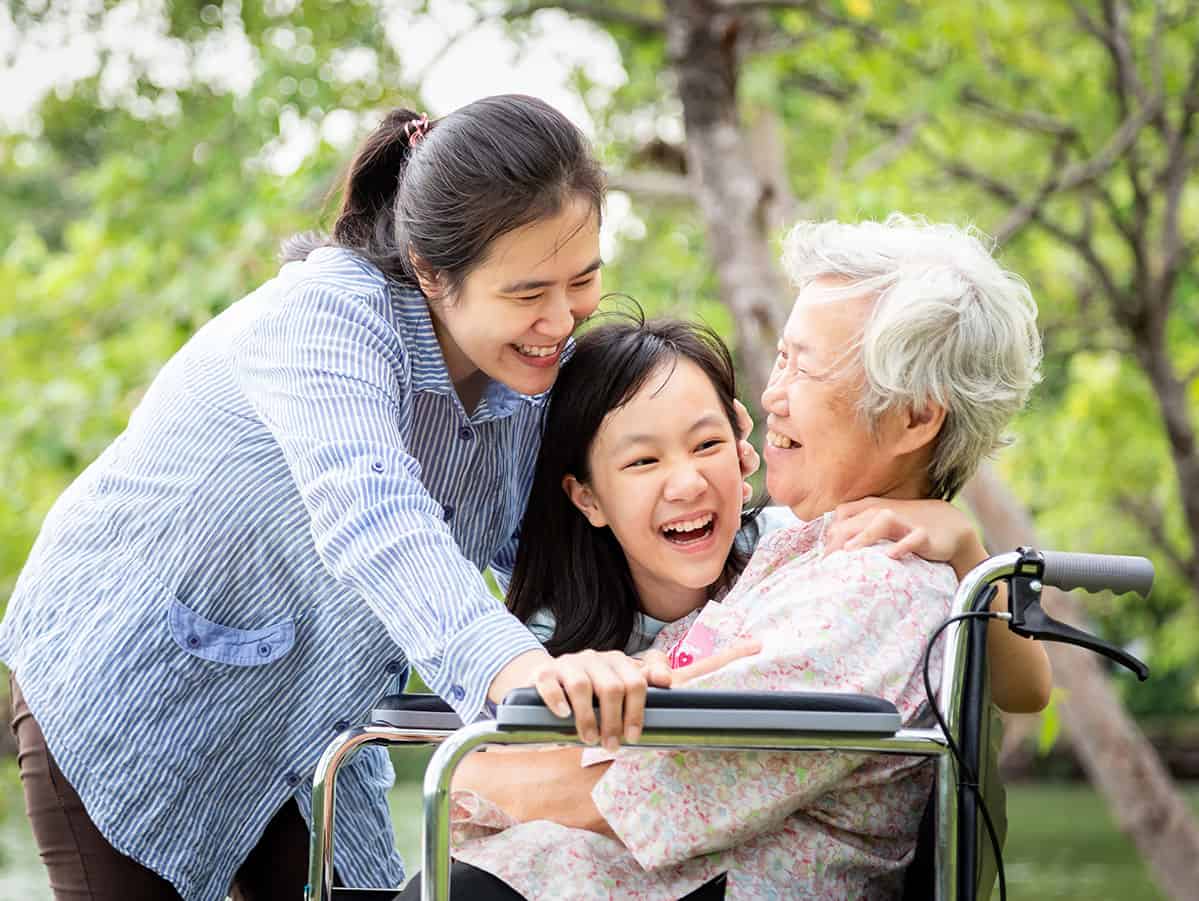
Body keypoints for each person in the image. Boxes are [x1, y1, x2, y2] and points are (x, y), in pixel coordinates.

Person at [0, 95, 706, 901]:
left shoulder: (537, 377)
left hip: (309, 719)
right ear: (432, 272)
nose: (560, 318)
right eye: (525, 293)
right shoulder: (325, 314)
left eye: (583, 278)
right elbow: (373, 516)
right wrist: (516, 673)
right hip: (132, 687)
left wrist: (764, 518)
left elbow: (586, 534)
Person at [408, 214, 1046, 899]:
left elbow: (637, 790)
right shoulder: (805, 549)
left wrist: (471, 772)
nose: (770, 396)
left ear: (915, 418)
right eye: (781, 358)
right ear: (586, 495)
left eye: (805, 366)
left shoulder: (873, 589)